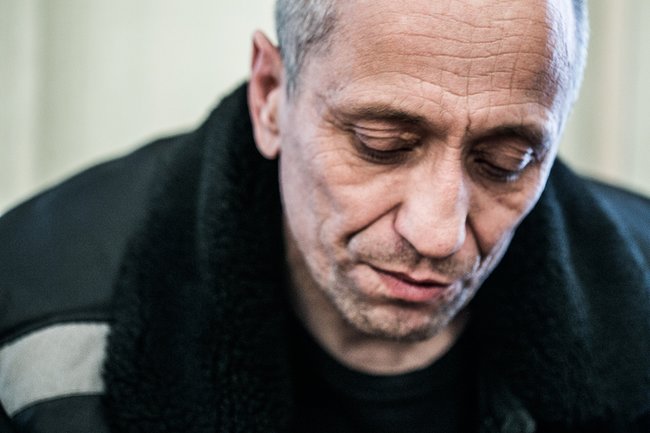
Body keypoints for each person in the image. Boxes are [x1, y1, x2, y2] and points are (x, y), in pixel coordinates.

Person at [1, 0, 649, 431]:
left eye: (506, 162)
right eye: (381, 144)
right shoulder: (32, 325)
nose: (437, 232)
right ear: (270, 98)